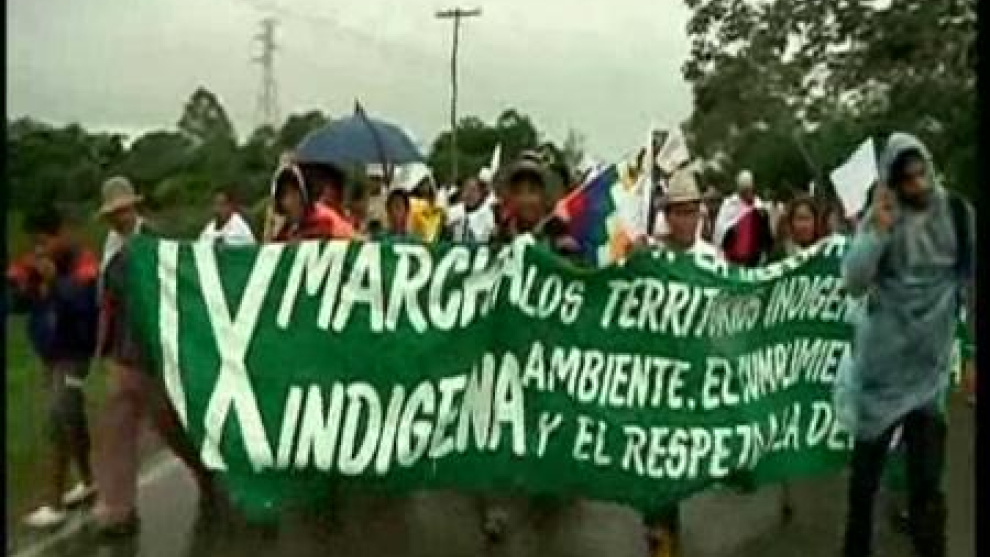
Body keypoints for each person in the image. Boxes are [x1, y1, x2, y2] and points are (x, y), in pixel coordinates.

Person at [834, 132, 974, 557]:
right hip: (881, 376)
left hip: (929, 376)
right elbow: (853, 281)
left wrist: (970, 354)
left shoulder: (957, 214)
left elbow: (970, 285)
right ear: (893, 182)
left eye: (921, 173)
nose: (917, 184)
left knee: (927, 489)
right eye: (907, 178)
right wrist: (877, 231)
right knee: (864, 487)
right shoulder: (884, 214)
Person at [90, 177, 218, 538]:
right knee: (117, 426)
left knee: (171, 425)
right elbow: (108, 303)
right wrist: (102, 347)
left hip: (156, 352)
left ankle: (207, 474)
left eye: (123, 210)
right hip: (124, 352)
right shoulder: (112, 251)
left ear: (134, 208)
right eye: (113, 213)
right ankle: (119, 509)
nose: (118, 218)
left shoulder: (155, 243)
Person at [640, 169, 718, 557]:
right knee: (654, 460)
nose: (685, 220)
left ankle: (667, 529)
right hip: (655, 375)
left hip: (693, 375)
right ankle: (659, 532)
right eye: (678, 212)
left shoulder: (710, 259)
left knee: (679, 460)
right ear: (667, 216)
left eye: (691, 212)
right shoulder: (651, 255)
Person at [7, 207, 99, 529]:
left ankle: (54, 502)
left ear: (60, 234)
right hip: (50, 353)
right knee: (71, 418)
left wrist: (54, 281)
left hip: (75, 352)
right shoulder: (34, 264)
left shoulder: (83, 262)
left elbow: (85, 303)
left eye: (44, 241)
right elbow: (18, 305)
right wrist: (23, 286)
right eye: (35, 242)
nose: (39, 249)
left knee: (57, 417)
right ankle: (88, 480)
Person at [272, 164, 357, 242]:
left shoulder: (323, 217)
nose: (294, 196)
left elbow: (353, 238)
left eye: (295, 190)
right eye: (283, 194)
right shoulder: (284, 231)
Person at [713, 170, 774, 266]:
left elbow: (766, 234)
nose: (747, 193)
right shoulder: (729, 205)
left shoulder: (759, 207)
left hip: (754, 259)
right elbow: (720, 230)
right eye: (744, 190)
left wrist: (766, 252)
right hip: (733, 258)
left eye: (749, 189)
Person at [445, 176, 496, 243]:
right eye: (466, 189)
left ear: (480, 194)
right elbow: (447, 233)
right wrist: (451, 228)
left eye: (474, 190)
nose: (470, 194)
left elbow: (488, 234)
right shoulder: (453, 210)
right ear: (462, 192)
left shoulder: (487, 212)